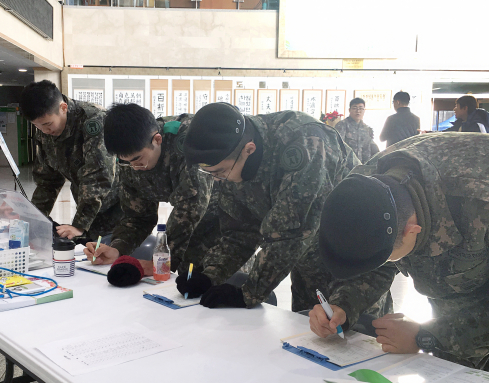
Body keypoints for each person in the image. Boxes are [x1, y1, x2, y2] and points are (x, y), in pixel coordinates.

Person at [177, 102, 393, 318]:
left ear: (249, 150)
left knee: (357, 341)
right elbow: (239, 233)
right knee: (307, 338)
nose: (217, 179)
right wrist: (210, 275)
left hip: (353, 265)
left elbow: (290, 233)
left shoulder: (305, 142)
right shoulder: (233, 157)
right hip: (306, 265)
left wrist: (248, 293)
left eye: (220, 172)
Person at [311, 133, 489, 370]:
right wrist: (342, 305)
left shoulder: (478, 199)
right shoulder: (366, 188)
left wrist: (425, 335)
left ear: (412, 230)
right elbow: (375, 259)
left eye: (391, 256)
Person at [85, 103, 218, 275]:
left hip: (222, 219)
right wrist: (117, 249)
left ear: (157, 139)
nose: (134, 167)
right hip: (189, 222)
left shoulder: (187, 143)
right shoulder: (130, 159)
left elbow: (190, 210)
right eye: (126, 161)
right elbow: (138, 216)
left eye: (138, 159)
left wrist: (162, 260)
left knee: (209, 281)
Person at [20, 80, 121, 243]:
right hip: (87, 205)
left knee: (117, 258)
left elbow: (99, 176)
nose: (45, 131)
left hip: (119, 206)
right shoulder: (45, 132)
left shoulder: (93, 120)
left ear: (63, 108)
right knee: (90, 257)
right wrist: (34, 218)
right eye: (37, 126)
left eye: (47, 124)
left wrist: (79, 225)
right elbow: (47, 181)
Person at [333, 98, 379, 162]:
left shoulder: (366, 129)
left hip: (363, 167)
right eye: (355, 108)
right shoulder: (342, 125)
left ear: (364, 110)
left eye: (360, 108)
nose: (358, 111)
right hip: (347, 166)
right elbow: (338, 147)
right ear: (349, 110)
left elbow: (370, 149)